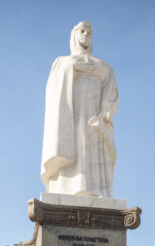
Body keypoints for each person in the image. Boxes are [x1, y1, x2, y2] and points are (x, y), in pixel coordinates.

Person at [41, 21, 119, 199]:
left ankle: (95, 190)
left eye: (89, 32)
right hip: (71, 115)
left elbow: (110, 88)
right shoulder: (62, 62)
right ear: (75, 35)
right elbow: (52, 89)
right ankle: (66, 187)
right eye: (82, 31)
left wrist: (106, 110)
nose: (85, 35)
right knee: (73, 145)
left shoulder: (103, 66)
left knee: (92, 147)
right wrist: (72, 67)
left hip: (93, 116)